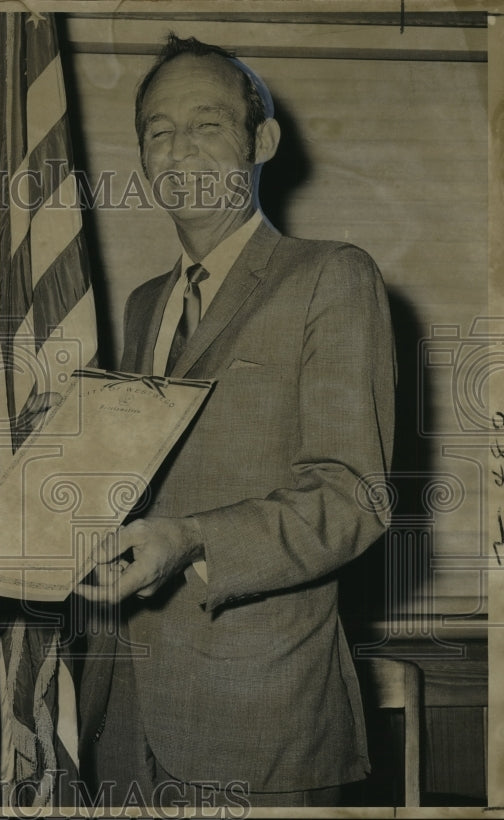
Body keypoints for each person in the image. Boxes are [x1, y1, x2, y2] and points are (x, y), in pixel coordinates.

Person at [76, 34, 395, 808]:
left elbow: (354, 498)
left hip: (261, 717)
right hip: (121, 712)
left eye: (207, 124)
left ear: (264, 141)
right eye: (158, 131)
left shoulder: (330, 277)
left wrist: (192, 538)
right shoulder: (145, 303)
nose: (179, 149)